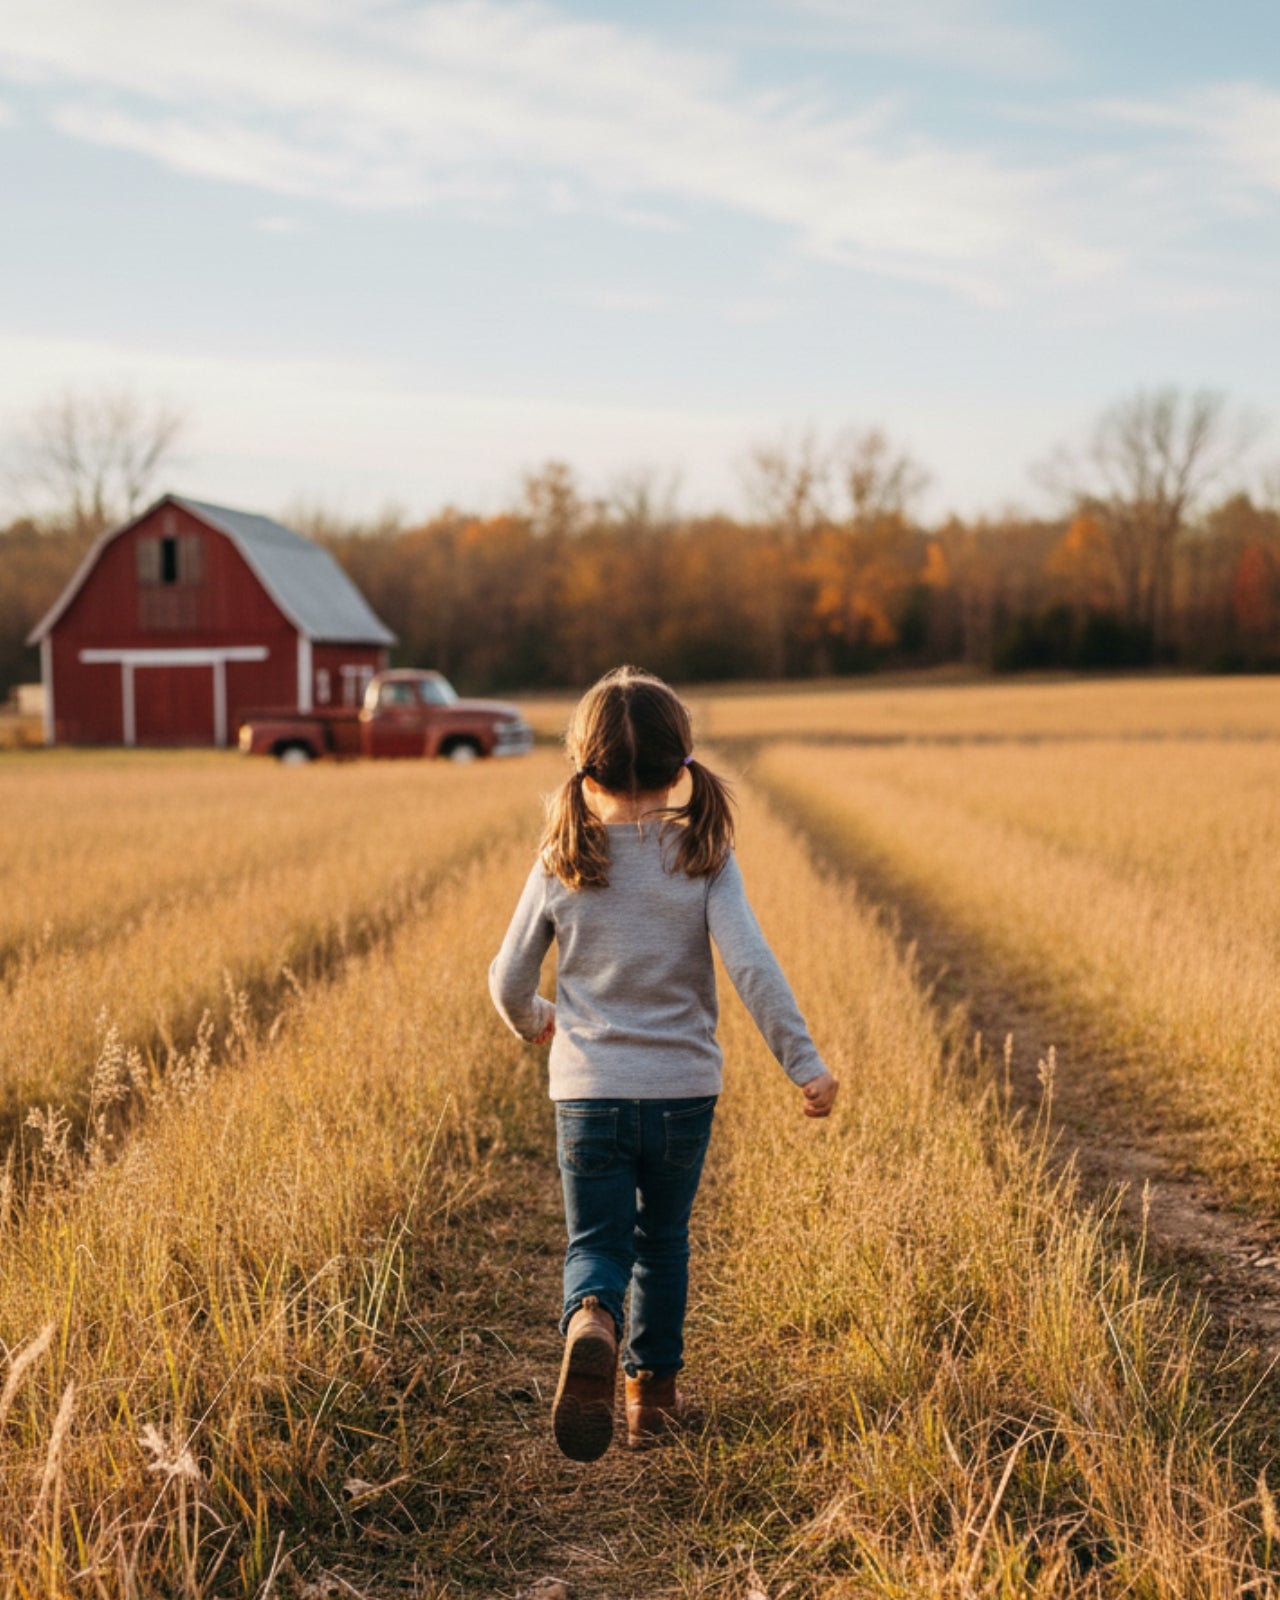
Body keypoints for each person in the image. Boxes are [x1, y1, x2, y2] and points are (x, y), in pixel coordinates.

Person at [489, 666, 838, 1463]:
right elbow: (753, 966)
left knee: (598, 1242)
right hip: (683, 1093)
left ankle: (590, 1321)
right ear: (683, 765)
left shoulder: (561, 856)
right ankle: (653, 1403)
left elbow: (507, 978)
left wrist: (535, 1021)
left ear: (584, 766)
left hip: (589, 1093)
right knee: (664, 1241)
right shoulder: (703, 852)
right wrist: (803, 1063)